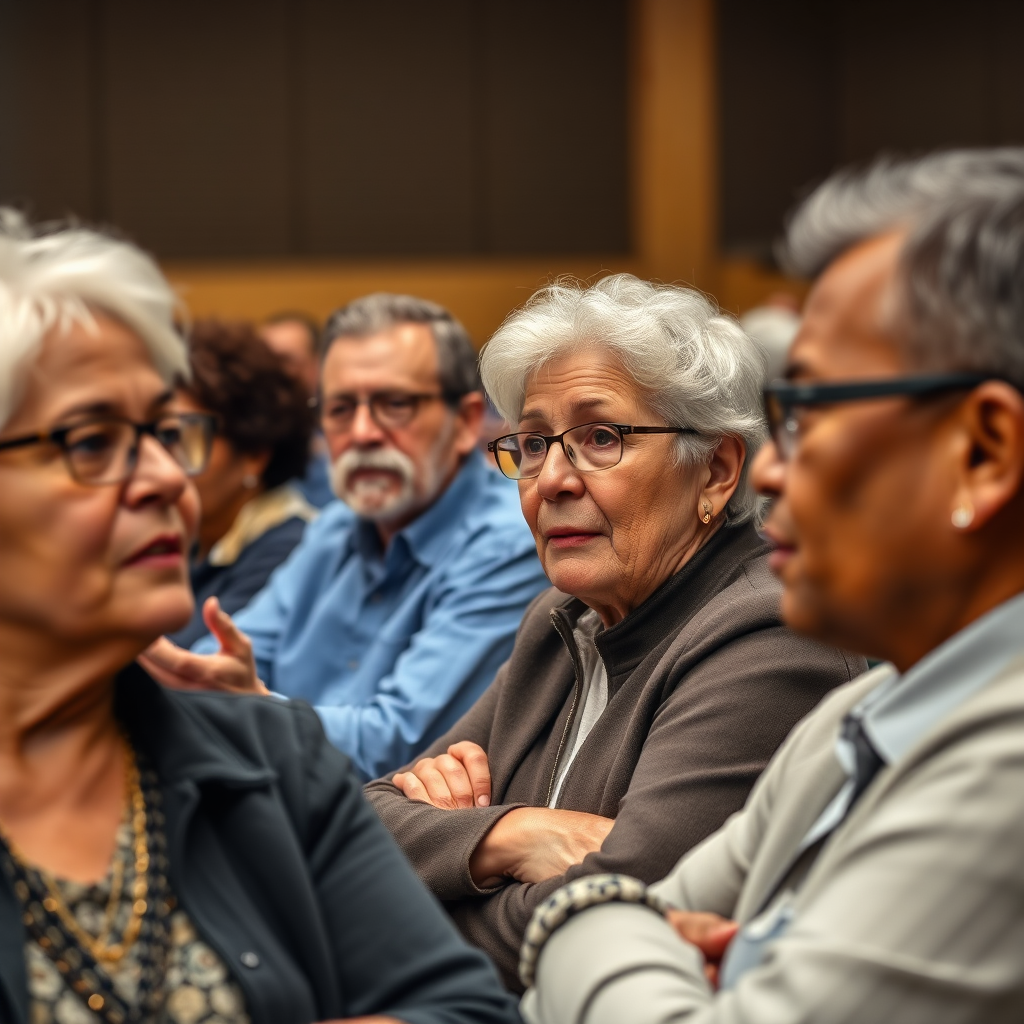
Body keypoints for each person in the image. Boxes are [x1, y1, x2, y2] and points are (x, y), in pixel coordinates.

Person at [519, 150, 1024, 1024]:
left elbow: (601, 916)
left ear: (982, 452)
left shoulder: (1003, 766)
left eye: (812, 412)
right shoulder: (863, 715)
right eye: (531, 445)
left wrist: (582, 921)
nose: (775, 470)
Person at [0, 211, 521, 1024]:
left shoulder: (273, 760)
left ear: (464, 424)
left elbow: (461, 1009)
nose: (168, 479)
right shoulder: (337, 539)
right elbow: (222, 656)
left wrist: (257, 704)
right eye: (95, 443)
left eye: (166, 434)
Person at [365, 274, 865, 990]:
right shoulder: (562, 621)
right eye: (532, 445)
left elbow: (619, 910)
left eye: (601, 437)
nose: (552, 480)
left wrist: (438, 872)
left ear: (718, 471)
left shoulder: (770, 637)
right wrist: (514, 836)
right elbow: (362, 825)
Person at [141, 293, 548, 780]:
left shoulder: (510, 542)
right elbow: (221, 660)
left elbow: (393, 747)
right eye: (339, 409)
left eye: (393, 405)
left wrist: (247, 708)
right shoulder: (334, 528)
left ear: (464, 423)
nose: (361, 433)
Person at [169, 319, 316, 648]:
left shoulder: (291, 549)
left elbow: (182, 669)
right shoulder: (196, 539)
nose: (162, 465)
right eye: (158, 437)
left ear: (254, 453)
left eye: (185, 440)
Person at [259, 312, 334, 508]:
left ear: (318, 365)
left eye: (286, 361)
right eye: (264, 360)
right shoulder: (250, 433)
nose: (273, 371)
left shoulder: (340, 428)